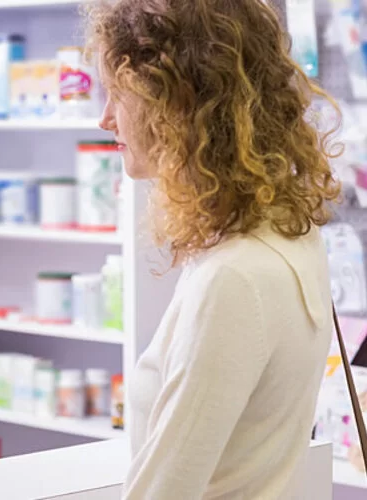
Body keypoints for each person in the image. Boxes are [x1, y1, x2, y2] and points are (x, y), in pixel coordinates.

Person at [85, 0, 341, 498]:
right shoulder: (287, 231)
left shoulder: (234, 278)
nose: (105, 119)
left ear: (177, 102)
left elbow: (164, 489)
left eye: (118, 95)